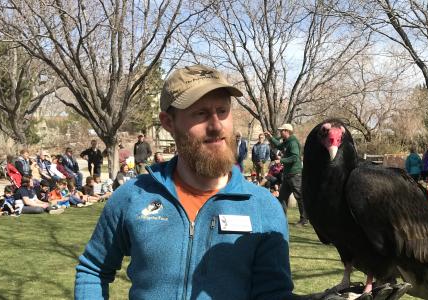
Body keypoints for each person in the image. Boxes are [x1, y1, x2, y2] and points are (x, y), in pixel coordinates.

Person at [75, 64, 292, 299]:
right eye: (200, 113)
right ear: (168, 122)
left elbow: (274, 293)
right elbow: (93, 269)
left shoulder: (263, 208)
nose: (216, 125)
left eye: (223, 110)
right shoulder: (133, 197)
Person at [265, 123, 306, 225]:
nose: (280, 132)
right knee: (282, 197)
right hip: (288, 174)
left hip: (295, 174)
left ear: (287, 131)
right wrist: (270, 138)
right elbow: (278, 145)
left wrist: (281, 160)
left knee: (299, 197)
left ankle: (304, 219)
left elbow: (295, 157)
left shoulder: (293, 142)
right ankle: (282, 218)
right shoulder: (287, 141)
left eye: (281, 131)